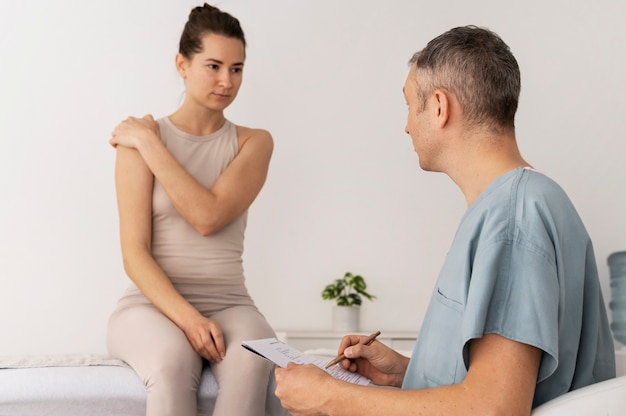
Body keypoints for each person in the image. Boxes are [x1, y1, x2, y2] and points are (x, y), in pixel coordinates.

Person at [274, 25, 616, 415]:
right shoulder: (528, 202)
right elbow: (501, 381)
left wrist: (330, 397)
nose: (405, 125)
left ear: (439, 107)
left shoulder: (513, 220)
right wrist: (405, 371)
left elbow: (494, 407)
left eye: (408, 105)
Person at [106, 4, 281, 416]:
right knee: (171, 363)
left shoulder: (253, 143)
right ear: (182, 64)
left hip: (231, 302)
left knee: (255, 359)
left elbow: (208, 216)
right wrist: (188, 320)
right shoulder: (134, 145)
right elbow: (134, 253)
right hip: (149, 307)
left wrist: (152, 145)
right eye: (214, 66)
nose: (226, 81)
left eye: (237, 69)